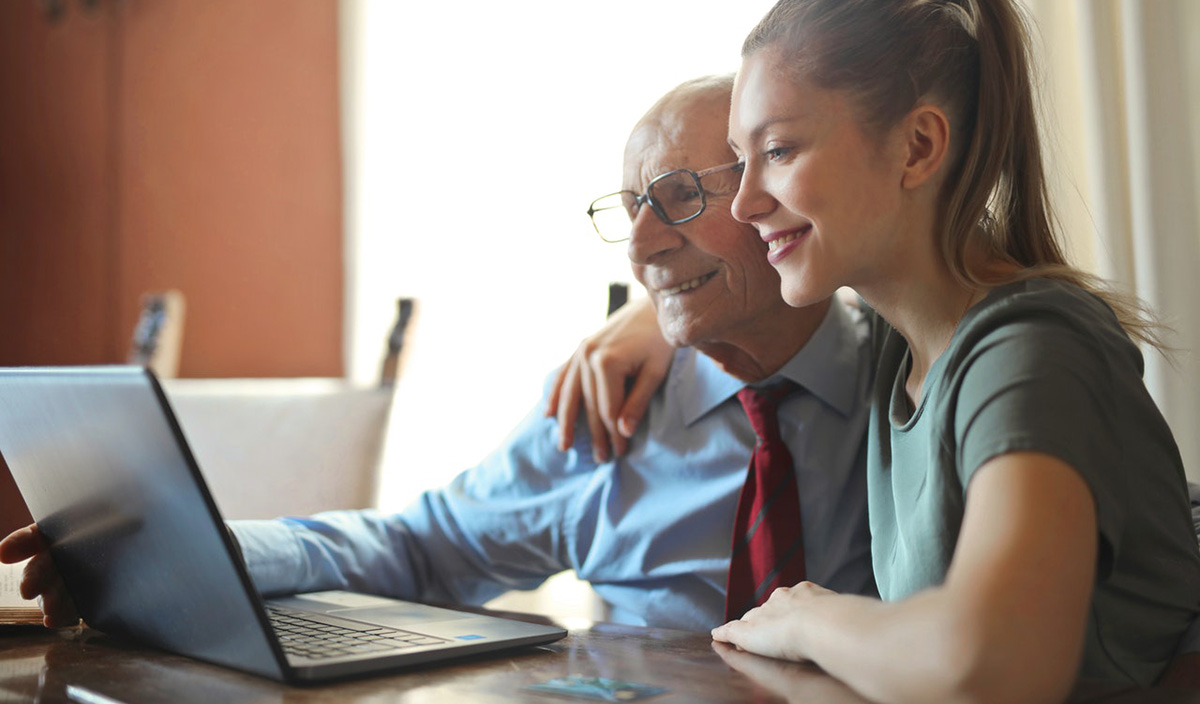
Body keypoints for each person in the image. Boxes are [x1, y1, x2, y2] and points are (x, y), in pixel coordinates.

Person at [0, 74, 876, 634]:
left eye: (680, 196)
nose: (639, 246)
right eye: (630, 206)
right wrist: (199, 550)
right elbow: (422, 548)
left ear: (780, 192)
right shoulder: (608, 407)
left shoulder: (916, 375)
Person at [553, 1, 1200, 701]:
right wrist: (660, 313)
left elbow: (990, 667)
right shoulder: (907, 346)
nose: (743, 203)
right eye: (740, 163)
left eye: (776, 152)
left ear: (918, 147)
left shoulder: (1032, 352)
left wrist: (807, 619)